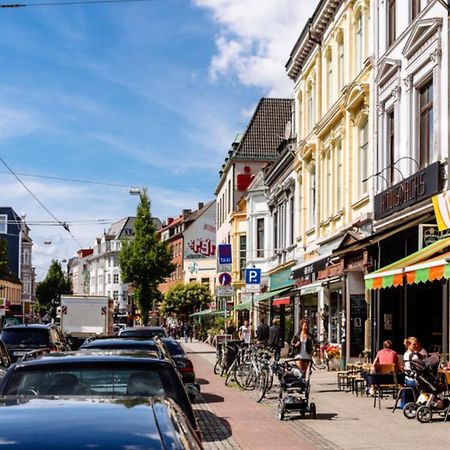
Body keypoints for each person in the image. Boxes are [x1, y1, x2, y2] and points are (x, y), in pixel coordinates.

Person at [400, 336, 427, 408]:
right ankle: (423, 403)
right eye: (414, 344)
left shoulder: (407, 354)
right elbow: (421, 367)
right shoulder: (413, 355)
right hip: (413, 379)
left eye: (417, 344)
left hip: (408, 379)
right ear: (408, 344)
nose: (416, 346)